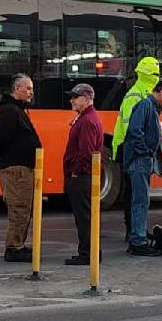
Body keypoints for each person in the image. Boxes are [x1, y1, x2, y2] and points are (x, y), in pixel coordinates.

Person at [0, 74, 42, 262]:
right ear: (16, 89)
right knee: (19, 208)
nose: (31, 92)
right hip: (16, 169)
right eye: (28, 88)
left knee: (23, 207)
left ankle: (18, 244)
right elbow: (3, 138)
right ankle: (14, 247)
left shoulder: (15, 110)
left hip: (21, 167)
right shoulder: (10, 111)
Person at [112, 57, 162, 239]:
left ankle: (136, 231)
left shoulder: (138, 93)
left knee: (134, 195)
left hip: (128, 148)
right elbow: (133, 129)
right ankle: (134, 233)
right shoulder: (138, 95)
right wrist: (144, 151)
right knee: (135, 196)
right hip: (131, 150)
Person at [124, 81, 162, 256]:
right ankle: (138, 241)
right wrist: (144, 152)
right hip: (140, 160)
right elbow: (135, 130)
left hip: (140, 159)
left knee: (140, 200)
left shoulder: (149, 107)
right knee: (141, 201)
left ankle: (138, 238)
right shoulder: (146, 105)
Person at [62, 83, 104, 265]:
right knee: (86, 216)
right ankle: (89, 251)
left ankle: (88, 254)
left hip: (82, 177)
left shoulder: (87, 121)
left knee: (84, 217)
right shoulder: (86, 118)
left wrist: (76, 173)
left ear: (87, 99)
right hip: (84, 175)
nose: (71, 100)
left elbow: (86, 152)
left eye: (75, 97)